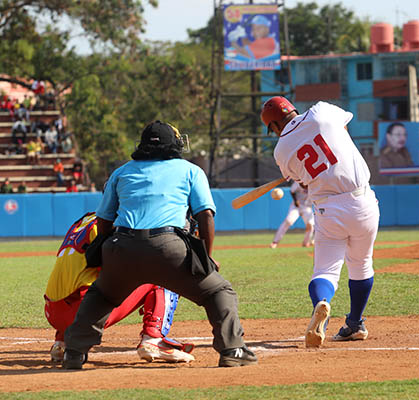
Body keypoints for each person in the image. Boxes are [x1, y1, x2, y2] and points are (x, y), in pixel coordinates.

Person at [62, 120, 257, 369]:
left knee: (101, 295)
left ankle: (74, 353)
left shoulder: (121, 172)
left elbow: (104, 220)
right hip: (168, 247)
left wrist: (110, 253)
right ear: (174, 144)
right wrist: (205, 258)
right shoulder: (190, 170)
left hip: (121, 245)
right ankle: (232, 350)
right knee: (218, 291)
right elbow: (205, 216)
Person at [260, 97, 380, 348]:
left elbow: (303, 182)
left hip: (328, 208)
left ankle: (321, 303)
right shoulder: (321, 110)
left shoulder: (280, 151)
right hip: (362, 200)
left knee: (325, 271)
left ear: (273, 126)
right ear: (292, 108)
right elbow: (344, 128)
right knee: (361, 264)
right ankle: (355, 323)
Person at [45, 212, 195, 363]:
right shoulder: (119, 222)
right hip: (82, 311)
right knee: (163, 269)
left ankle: (62, 343)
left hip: (53, 311)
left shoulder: (84, 220)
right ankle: (153, 339)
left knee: (85, 278)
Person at [270, 181, 315, 248]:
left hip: (307, 207)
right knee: (288, 221)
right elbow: (292, 191)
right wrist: (296, 200)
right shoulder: (299, 180)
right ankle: (275, 242)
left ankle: (306, 242)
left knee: (310, 225)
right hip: (296, 206)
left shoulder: (315, 183)